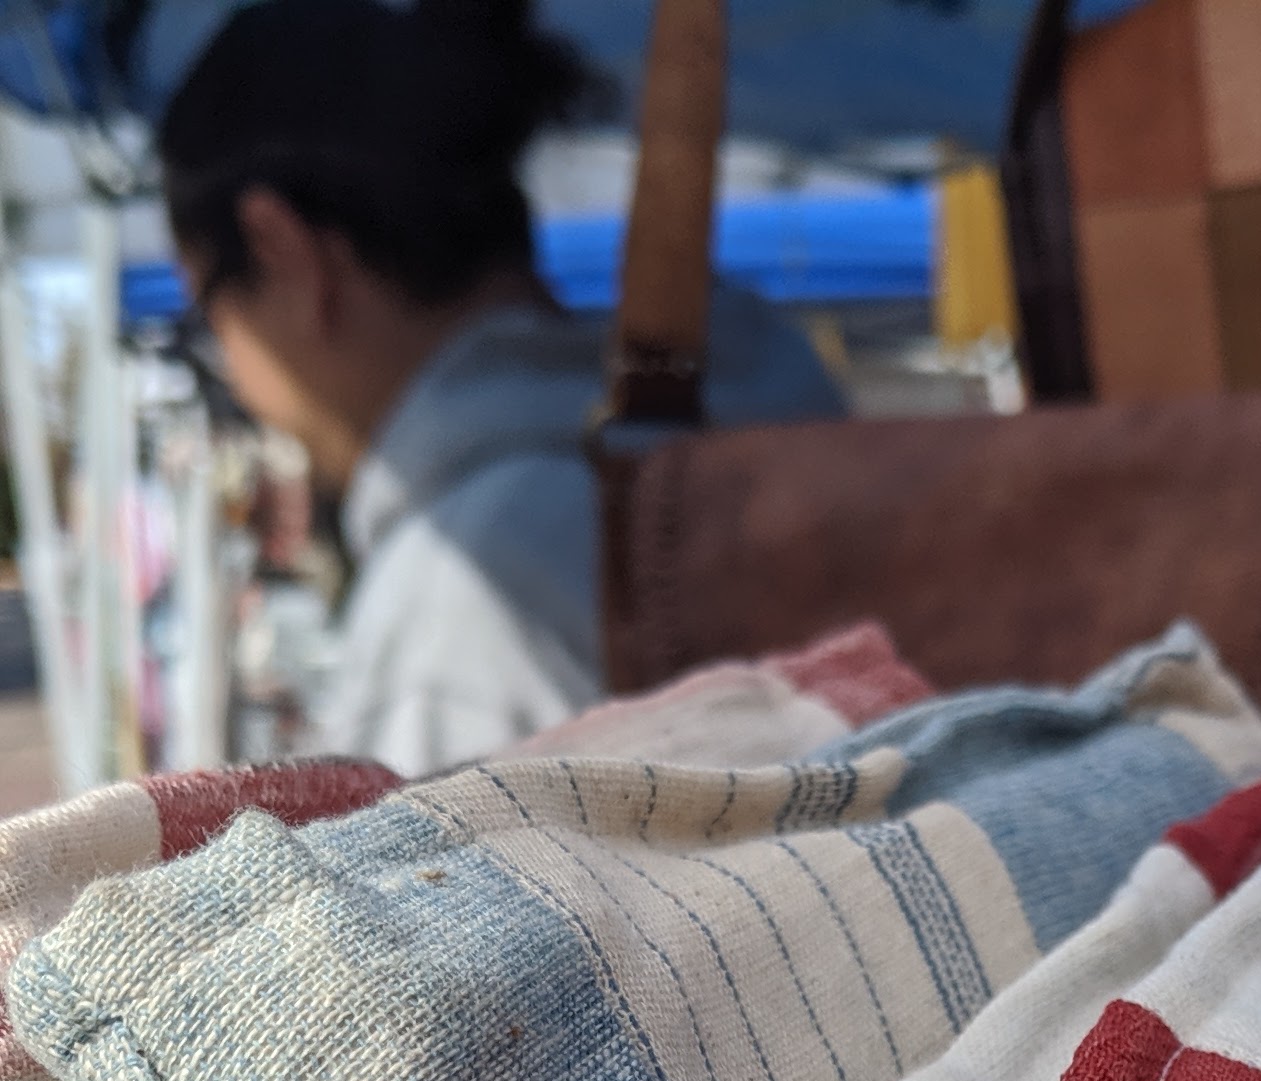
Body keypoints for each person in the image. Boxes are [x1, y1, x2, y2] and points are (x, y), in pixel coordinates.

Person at [159, 0, 845, 775]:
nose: (233, 372)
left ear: (281, 247)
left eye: (206, 317)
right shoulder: (771, 415)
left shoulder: (458, 608)